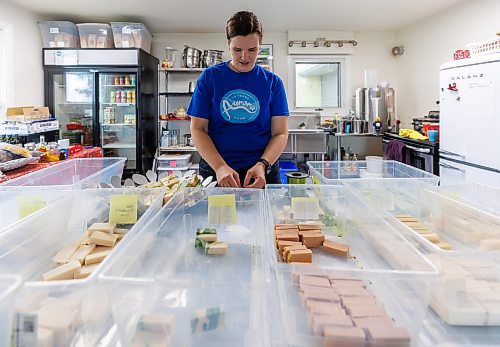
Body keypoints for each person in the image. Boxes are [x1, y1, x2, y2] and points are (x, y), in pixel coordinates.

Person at [188, 10, 289, 188]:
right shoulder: (210, 78)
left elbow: (280, 133)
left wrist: (263, 164)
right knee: (216, 216)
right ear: (228, 44)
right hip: (216, 170)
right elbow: (198, 129)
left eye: (252, 49)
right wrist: (219, 167)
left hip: (261, 171)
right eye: (237, 49)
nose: (244, 57)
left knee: (266, 216)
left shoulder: (273, 83)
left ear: (260, 45)